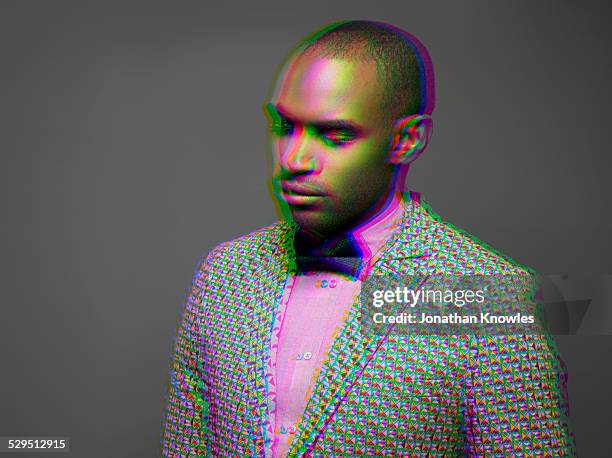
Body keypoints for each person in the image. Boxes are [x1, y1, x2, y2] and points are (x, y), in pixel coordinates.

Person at [162, 20, 575, 456]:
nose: (293, 160)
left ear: (407, 140)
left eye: (334, 134)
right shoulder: (224, 272)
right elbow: (185, 446)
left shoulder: (486, 294)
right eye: (285, 127)